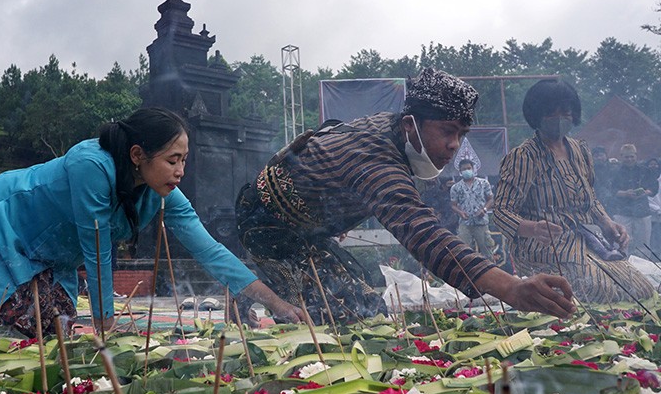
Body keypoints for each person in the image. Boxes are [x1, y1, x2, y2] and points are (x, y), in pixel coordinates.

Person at [0, 107, 304, 341]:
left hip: (50, 255)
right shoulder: (91, 165)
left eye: (184, 159)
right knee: (9, 321)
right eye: (173, 159)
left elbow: (210, 250)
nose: (181, 170)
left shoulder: (160, 192)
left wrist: (277, 303)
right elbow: (97, 248)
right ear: (136, 154)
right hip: (5, 225)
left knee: (51, 328)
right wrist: (105, 325)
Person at [235, 68, 576, 324]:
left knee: (367, 293)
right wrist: (510, 288)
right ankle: (252, 283)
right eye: (446, 131)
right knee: (349, 312)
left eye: (461, 133)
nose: (455, 145)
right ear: (412, 125)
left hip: (307, 227)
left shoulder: (394, 130)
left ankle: (257, 283)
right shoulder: (377, 157)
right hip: (269, 226)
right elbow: (423, 233)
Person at [492, 79, 654, 303]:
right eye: (551, 113)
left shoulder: (580, 150)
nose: (559, 119)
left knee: (641, 289)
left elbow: (590, 199)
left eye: (565, 112)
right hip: (543, 248)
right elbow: (500, 211)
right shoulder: (523, 157)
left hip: (582, 239)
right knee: (601, 291)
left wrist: (607, 223)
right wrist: (530, 227)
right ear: (536, 115)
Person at [608, 144, 658, 256]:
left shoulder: (645, 170)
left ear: (636, 155)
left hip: (642, 212)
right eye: (626, 157)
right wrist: (624, 193)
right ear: (621, 157)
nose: (629, 159)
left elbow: (654, 187)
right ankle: (622, 268)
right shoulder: (615, 172)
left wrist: (645, 192)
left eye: (631, 156)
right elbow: (609, 190)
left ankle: (643, 269)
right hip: (622, 213)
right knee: (621, 243)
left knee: (643, 245)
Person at [450, 159, 495, 259]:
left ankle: (491, 271)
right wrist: (460, 212)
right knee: (463, 251)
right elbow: (453, 205)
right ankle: (467, 272)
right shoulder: (456, 187)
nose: (467, 171)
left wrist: (484, 209)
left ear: (473, 169)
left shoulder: (484, 183)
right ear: (460, 172)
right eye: (464, 169)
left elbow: (491, 199)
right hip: (465, 223)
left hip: (481, 223)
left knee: (487, 251)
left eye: (469, 168)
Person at [591, 146, 615, 215]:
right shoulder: (590, 171)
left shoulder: (614, 168)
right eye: (596, 156)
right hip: (598, 202)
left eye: (601, 155)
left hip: (614, 202)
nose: (599, 158)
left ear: (606, 156)